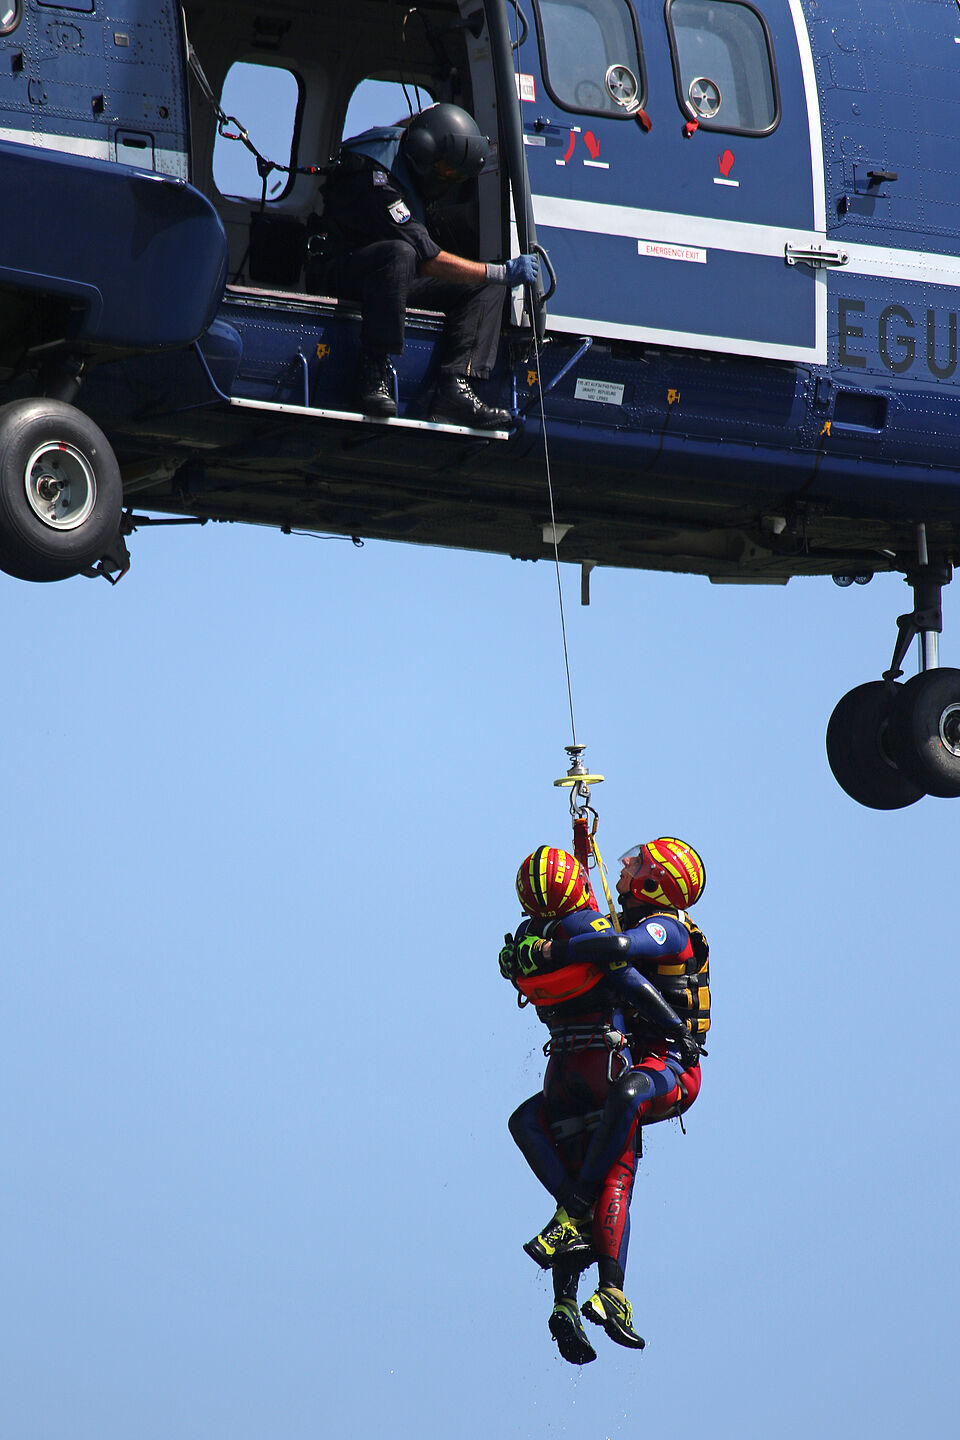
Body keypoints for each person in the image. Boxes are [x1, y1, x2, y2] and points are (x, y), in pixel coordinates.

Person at [499, 839, 709, 1365]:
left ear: (657, 882)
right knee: (543, 1128)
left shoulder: (668, 926)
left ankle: (583, 1233)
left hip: (671, 1065)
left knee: (624, 1101)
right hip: (625, 1061)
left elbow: (614, 950)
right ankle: (570, 1299)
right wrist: (579, 849)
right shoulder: (605, 921)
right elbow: (593, 926)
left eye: (636, 863)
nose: (624, 863)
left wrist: (547, 951)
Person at [309, 103, 539, 427]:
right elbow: (427, 259)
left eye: (453, 175)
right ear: (422, 151)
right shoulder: (376, 176)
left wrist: (492, 276)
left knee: (483, 284)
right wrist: (502, 271)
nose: (445, 180)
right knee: (400, 253)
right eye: (443, 171)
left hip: (393, 280)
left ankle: (455, 390)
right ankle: (373, 367)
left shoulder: (407, 159)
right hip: (345, 272)